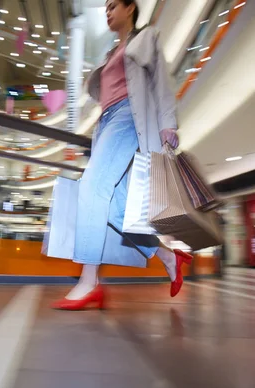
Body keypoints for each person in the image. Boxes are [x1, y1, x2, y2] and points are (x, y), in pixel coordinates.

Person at [52, 0, 193, 310]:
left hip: (129, 116)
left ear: (131, 8)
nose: (107, 11)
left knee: (92, 188)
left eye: (113, 5)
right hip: (106, 123)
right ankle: (169, 258)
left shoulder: (146, 38)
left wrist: (169, 124)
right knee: (117, 210)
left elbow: (162, 83)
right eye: (104, 7)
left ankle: (89, 282)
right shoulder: (108, 55)